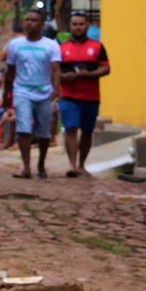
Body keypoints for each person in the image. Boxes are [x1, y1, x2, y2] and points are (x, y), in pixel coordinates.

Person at [4, 9, 61, 179]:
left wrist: (55, 89)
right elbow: (10, 70)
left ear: (42, 24)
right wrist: (6, 93)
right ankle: (26, 167)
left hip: (44, 92)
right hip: (22, 90)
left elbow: (56, 70)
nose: (29, 23)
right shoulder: (15, 44)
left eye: (34, 20)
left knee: (44, 133)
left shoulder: (51, 45)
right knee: (24, 129)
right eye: (27, 19)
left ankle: (41, 164)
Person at [58, 11, 110, 177]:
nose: (78, 27)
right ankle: (72, 165)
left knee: (87, 131)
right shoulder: (61, 48)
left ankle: (82, 165)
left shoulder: (97, 47)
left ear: (87, 25)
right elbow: (53, 71)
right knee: (71, 128)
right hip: (68, 95)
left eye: (81, 24)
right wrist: (65, 77)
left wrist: (89, 74)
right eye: (74, 24)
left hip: (91, 96)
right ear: (70, 26)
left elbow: (106, 68)